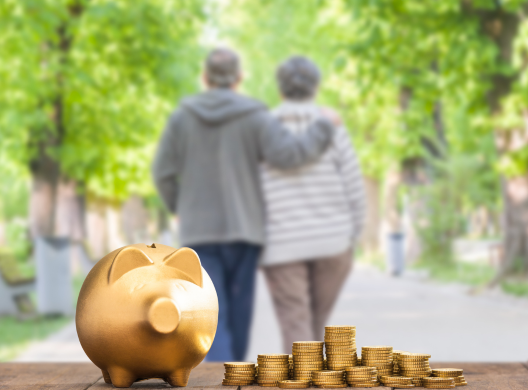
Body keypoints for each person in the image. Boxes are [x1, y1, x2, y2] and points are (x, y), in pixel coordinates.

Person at [152, 48, 339, 361]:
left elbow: (162, 172)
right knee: (238, 321)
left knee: (210, 317)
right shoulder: (255, 116)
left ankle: (218, 376)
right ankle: (231, 374)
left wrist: (180, 208)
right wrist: (323, 127)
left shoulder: (182, 118)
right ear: (239, 78)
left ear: (205, 77)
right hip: (245, 232)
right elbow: (290, 155)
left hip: (200, 234)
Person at [260, 56, 366, 353]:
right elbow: (354, 187)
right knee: (312, 327)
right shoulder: (332, 126)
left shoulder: (262, 128)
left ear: (279, 89)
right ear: (315, 88)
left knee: (297, 327)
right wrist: (351, 237)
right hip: (333, 243)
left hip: (281, 244)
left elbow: (252, 188)